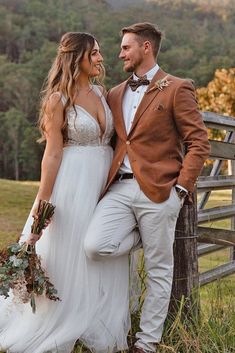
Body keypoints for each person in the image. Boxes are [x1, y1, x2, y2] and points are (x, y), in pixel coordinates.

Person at [0, 32, 131, 353]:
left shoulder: (103, 93)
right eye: (95, 54)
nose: (102, 58)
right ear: (77, 58)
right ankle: (59, 319)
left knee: (98, 249)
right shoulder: (57, 100)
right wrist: (43, 204)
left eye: (100, 53)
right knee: (66, 253)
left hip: (102, 182)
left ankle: (95, 316)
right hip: (70, 185)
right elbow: (53, 154)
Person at [84, 22, 211, 353]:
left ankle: (147, 344)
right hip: (119, 189)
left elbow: (199, 142)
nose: (120, 53)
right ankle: (144, 235)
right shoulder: (114, 92)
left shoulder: (177, 87)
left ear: (146, 48)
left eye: (126, 47)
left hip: (160, 192)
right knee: (95, 246)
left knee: (159, 271)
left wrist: (180, 191)